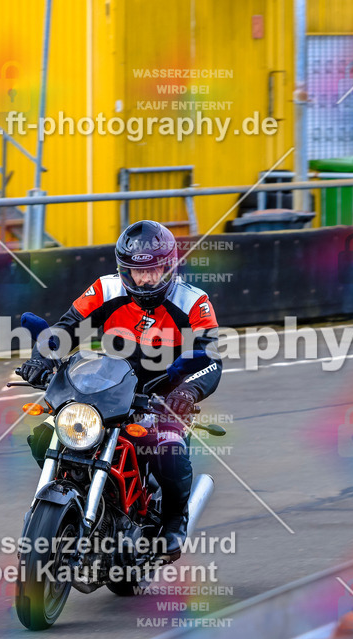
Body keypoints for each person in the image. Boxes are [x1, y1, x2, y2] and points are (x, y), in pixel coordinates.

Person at [16, 220, 222, 560]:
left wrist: (186, 394)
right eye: (135, 271)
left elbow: (211, 360)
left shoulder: (193, 302)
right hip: (107, 388)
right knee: (45, 435)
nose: (144, 280)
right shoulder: (105, 289)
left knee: (169, 451)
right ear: (123, 269)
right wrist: (41, 358)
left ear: (168, 267)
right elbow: (65, 330)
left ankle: (175, 521)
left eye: (152, 271)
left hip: (162, 398)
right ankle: (72, 494)